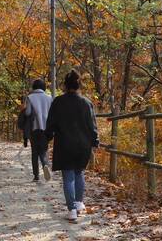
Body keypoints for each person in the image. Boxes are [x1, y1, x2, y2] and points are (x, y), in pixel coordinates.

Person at [45, 70, 99, 221]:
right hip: (83, 144)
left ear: (65, 85)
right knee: (79, 172)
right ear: (79, 85)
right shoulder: (87, 103)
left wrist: (47, 137)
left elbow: (51, 124)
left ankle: (72, 210)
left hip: (65, 144)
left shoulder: (58, 102)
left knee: (68, 177)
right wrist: (95, 141)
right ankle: (79, 202)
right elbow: (92, 125)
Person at [24, 79, 53, 182]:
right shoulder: (49, 98)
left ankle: (36, 176)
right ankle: (45, 164)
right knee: (44, 149)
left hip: (34, 128)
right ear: (44, 87)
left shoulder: (30, 97)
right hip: (47, 129)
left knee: (34, 152)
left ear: (34, 87)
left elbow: (27, 113)